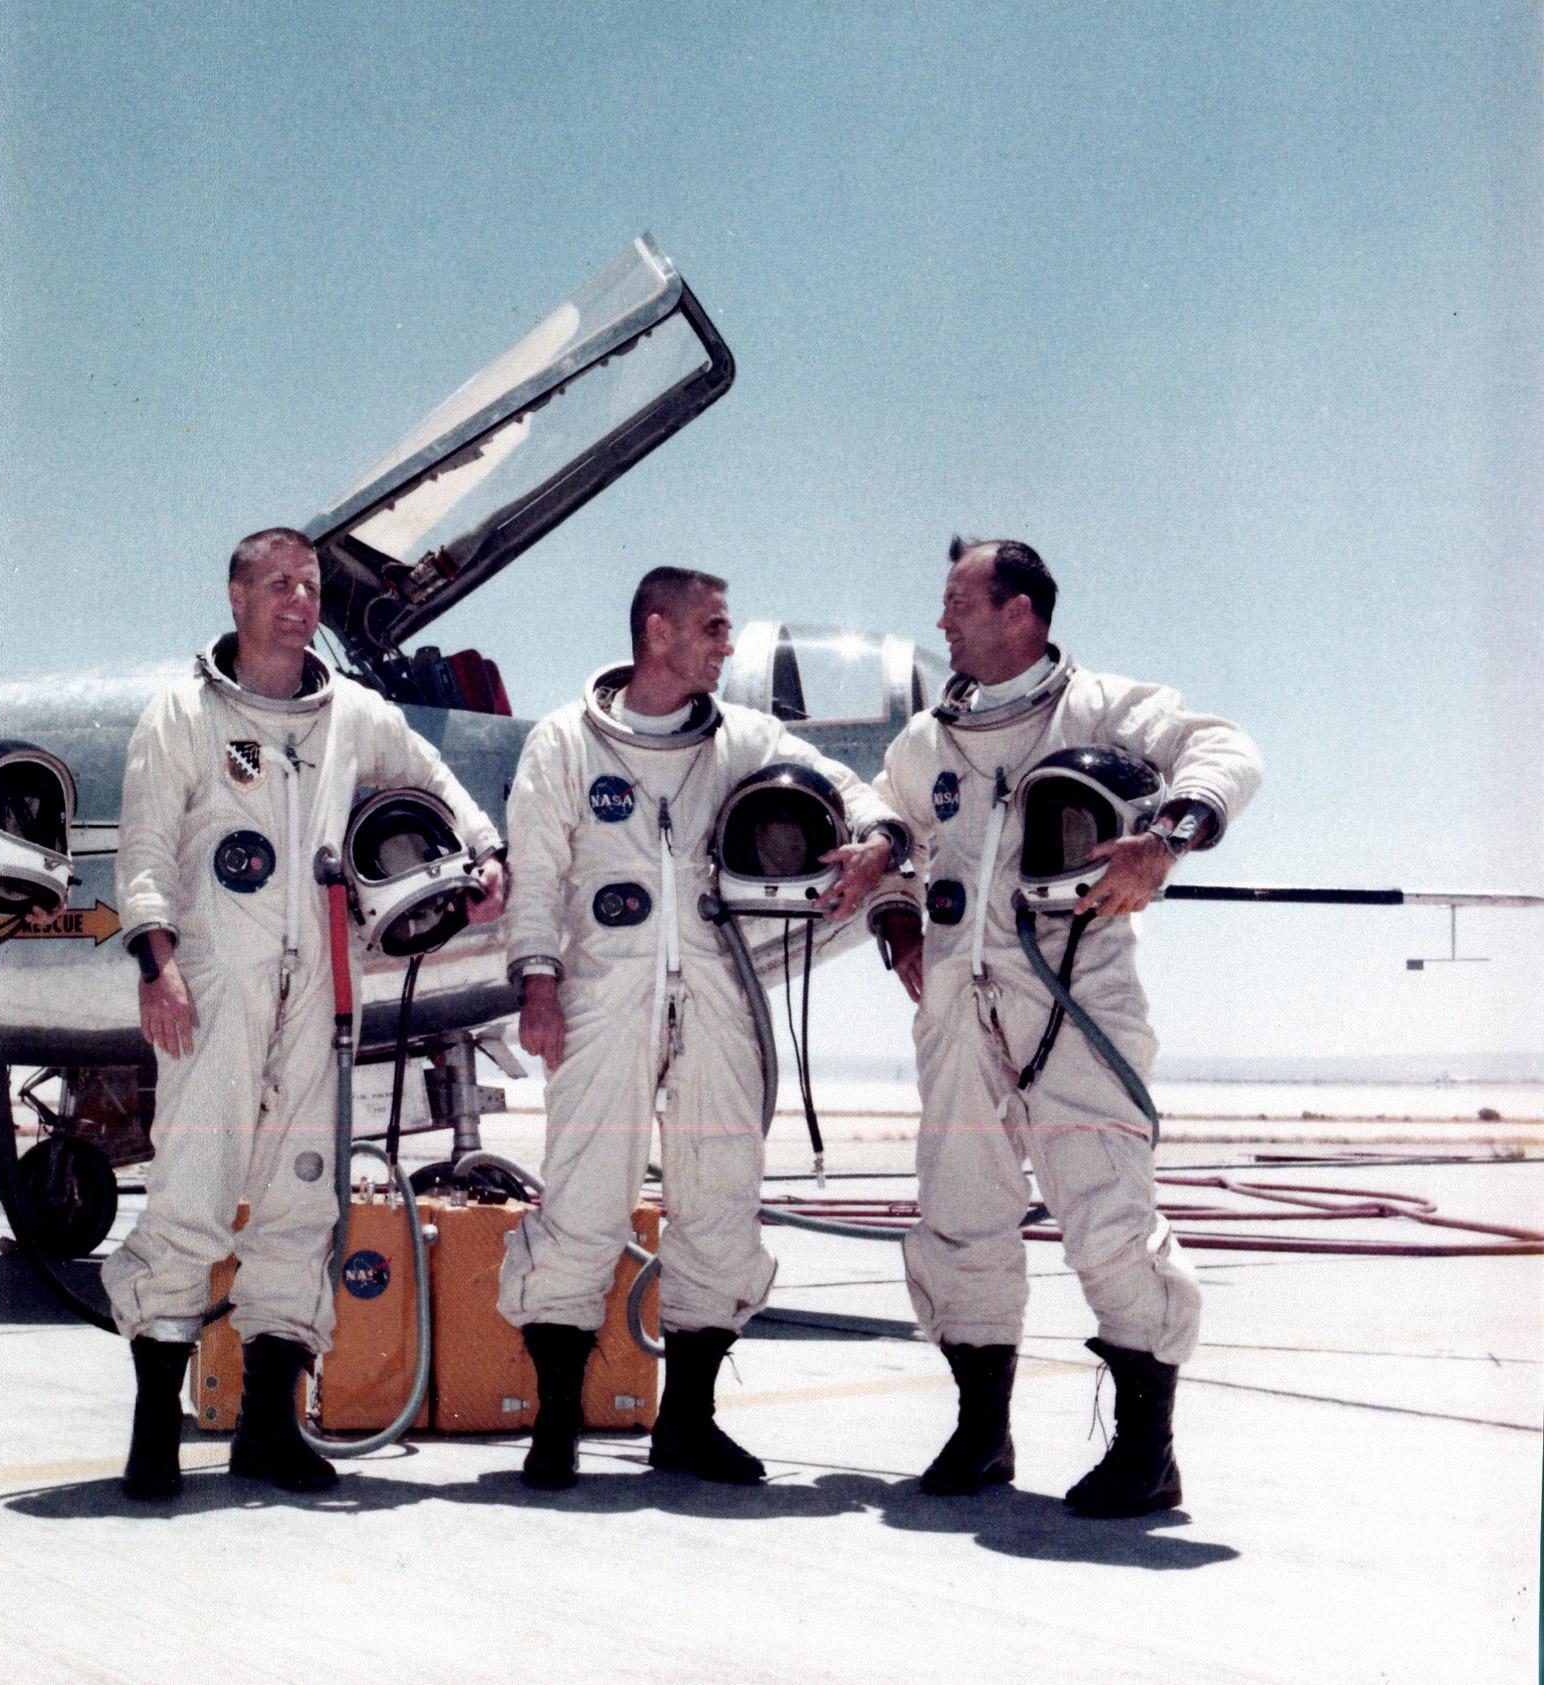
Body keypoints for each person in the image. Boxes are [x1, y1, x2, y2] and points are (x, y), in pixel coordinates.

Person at [859, 537, 1261, 1517]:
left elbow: (1227, 752)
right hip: (959, 1011)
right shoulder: (932, 741)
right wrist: (897, 915)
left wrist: (1166, 838)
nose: (943, 621)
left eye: (960, 603)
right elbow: (887, 817)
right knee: (959, 1219)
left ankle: (1147, 1450)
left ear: (1022, 612)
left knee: (1109, 1219)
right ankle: (981, 1429)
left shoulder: (1102, 709)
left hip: (1077, 1004)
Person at [103, 527, 506, 1500]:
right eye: (278, 583)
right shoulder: (182, 716)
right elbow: (146, 853)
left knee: (301, 1204)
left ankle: (269, 1427)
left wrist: (487, 851)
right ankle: (155, 1425)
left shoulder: (353, 718)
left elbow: (433, 782)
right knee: (191, 1192)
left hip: (322, 996)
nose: (298, 599)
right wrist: (158, 969)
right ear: (235, 595)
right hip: (214, 990)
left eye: (310, 584)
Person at [496, 566, 901, 1490]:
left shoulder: (740, 740)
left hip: (717, 992)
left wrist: (878, 841)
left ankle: (689, 1420)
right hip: (603, 994)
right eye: (713, 627)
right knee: (581, 1204)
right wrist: (538, 981)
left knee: (719, 1203)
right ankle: (555, 1421)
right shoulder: (567, 742)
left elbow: (854, 790)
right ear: (658, 631)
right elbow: (538, 873)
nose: (727, 644)